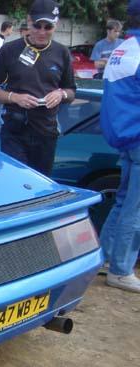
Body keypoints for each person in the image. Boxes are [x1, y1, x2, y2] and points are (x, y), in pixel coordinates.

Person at [0, 0, 76, 177]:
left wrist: (61, 94)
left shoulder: (62, 52)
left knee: (41, 184)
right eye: (37, 26)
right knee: (16, 181)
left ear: (55, 25)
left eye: (48, 27)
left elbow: (71, 91)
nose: (42, 32)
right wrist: (15, 97)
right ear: (28, 21)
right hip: (15, 131)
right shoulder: (9, 50)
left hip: (46, 132)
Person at [98, 1, 140, 293]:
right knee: (135, 209)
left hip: (125, 136)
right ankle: (121, 270)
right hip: (137, 135)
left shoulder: (123, 48)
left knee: (124, 201)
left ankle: (104, 257)